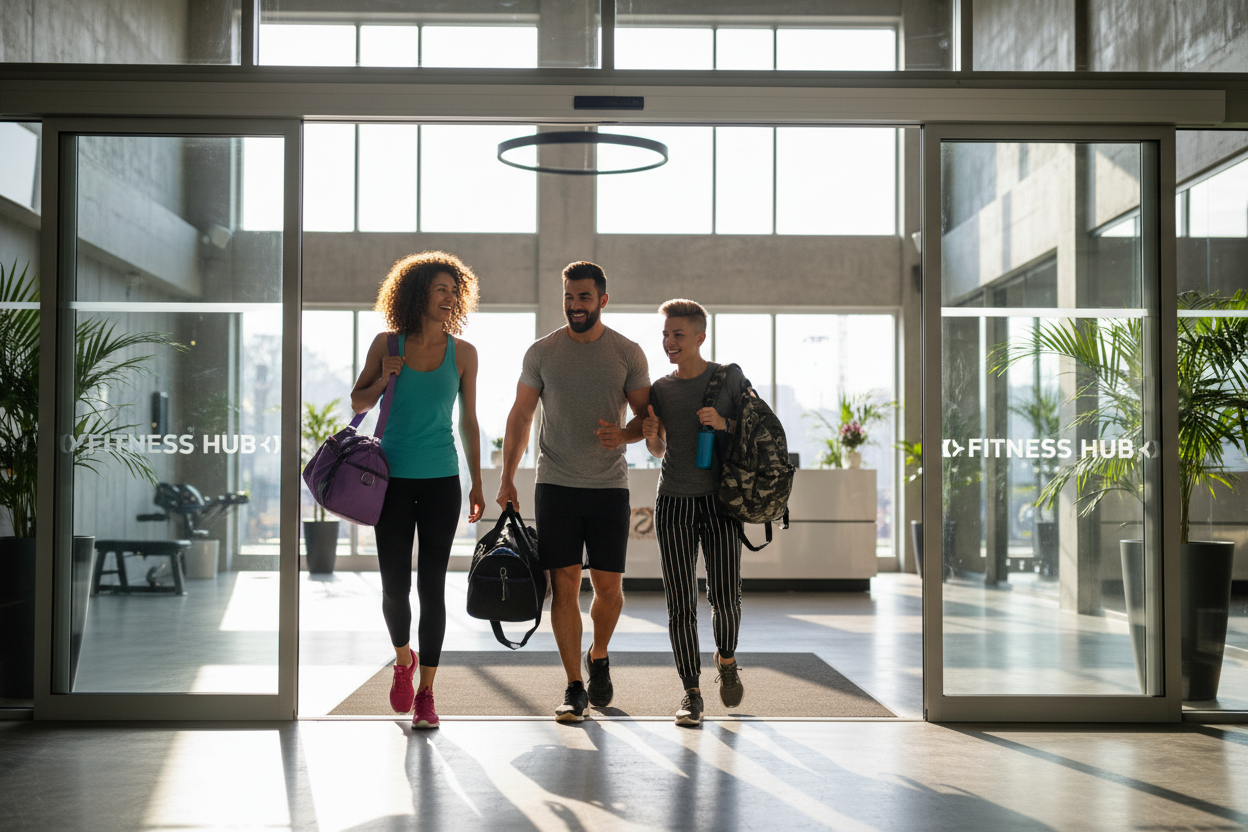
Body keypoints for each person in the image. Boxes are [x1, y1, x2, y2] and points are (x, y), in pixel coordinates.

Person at [497, 261, 650, 722]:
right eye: (568, 296)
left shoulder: (628, 352)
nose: (574, 305)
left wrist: (625, 437)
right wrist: (507, 477)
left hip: (608, 486)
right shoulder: (542, 352)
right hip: (555, 484)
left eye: (583, 297)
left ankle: (598, 653)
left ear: (603, 300)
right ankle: (573, 686)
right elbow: (521, 416)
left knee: (608, 589)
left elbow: (647, 418)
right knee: (563, 586)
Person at [350, 251, 485, 730]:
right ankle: (402, 659)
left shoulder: (463, 353)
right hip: (390, 479)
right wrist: (385, 375)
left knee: (432, 586)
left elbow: (469, 422)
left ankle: (427, 693)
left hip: (441, 481)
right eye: (440, 289)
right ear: (417, 293)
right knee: (394, 585)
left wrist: (477, 483)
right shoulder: (386, 344)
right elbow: (358, 401)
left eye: (454, 290)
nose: (449, 297)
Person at [642, 299, 746, 727]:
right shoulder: (660, 390)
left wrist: (723, 425)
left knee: (725, 597)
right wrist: (651, 437)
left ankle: (726, 659)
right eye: (665, 334)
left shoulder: (729, 379)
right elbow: (659, 449)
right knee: (679, 603)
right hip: (673, 503)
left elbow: (756, 434)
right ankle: (691, 692)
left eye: (677, 335)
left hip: (719, 504)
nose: (669, 342)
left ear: (701, 337)